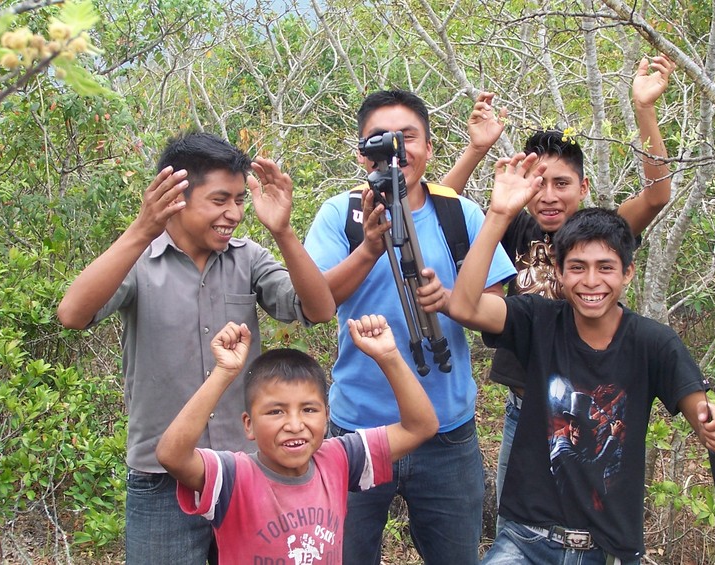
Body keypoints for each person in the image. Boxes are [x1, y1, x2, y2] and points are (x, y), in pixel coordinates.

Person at [56, 132, 336, 564]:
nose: (235, 214)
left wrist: (283, 231)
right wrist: (140, 228)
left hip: (244, 470)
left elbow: (317, 309)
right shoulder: (138, 261)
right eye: (220, 200)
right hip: (161, 477)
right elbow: (72, 315)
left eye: (240, 200)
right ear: (175, 197)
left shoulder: (250, 258)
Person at [449, 153, 715, 564]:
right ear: (559, 273)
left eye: (606, 268)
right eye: (577, 268)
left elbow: (697, 405)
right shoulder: (538, 321)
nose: (592, 281)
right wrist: (498, 213)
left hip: (609, 549)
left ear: (628, 272)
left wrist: (711, 421)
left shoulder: (653, 342)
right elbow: (464, 306)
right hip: (526, 541)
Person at [444, 56, 677, 528]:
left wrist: (643, 108)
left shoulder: (602, 236)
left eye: (561, 184)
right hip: (524, 406)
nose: (548, 196)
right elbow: (437, 207)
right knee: (517, 526)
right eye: (538, 184)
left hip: (591, 406)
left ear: (584, 186)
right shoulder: (511, 227)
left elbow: (656, 196)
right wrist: (476, 152)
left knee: (588, 527)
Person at [303, 89, 517, 564]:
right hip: (357, 430)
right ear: (363, 152)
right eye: (381, 139)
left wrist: (451, 303)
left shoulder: (459, 213)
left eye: (409, 137)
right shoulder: (342, 215)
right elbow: (315, 302)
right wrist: (368, 250)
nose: (397, 150)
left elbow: (497, 309)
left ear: (429, 147)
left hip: (447, 431)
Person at [155, 314, 439, 563]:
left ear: (326, 415)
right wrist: (224, 372)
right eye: (276, 411)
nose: (294, 424)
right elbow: (172, 455)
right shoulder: (232, 477)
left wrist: (389, 356)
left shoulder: (338, 459)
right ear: (249, 424)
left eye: (308, 409)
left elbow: (420, 427)